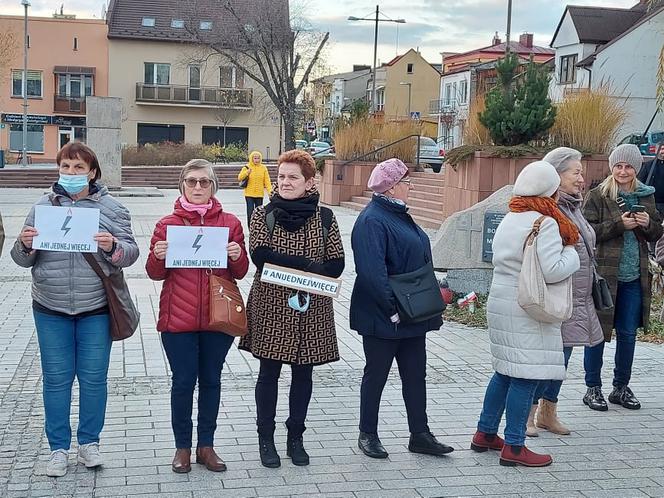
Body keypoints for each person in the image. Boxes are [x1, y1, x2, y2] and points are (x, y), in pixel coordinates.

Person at [10, 142, 139, 477]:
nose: (70, 173)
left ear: (92, 172)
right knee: (56, 380)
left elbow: (130, 253)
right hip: (50, 307)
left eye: (78, 168)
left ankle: (89, 443)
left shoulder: (112, 209)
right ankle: (58, 449)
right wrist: (24, 244)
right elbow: (20, 259)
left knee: (94, 380)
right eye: (65, 167)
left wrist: (113, 247)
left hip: (94, 307)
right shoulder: (43, 206)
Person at [239, 149, 345, 468]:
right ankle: (265, 438)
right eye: (282, 176)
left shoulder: (325, 217)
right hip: (271, 305)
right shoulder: (264, 214)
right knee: (268, 372)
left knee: (303, 374)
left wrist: (300, 268)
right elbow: (260, 255)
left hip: (311, 306)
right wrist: (309, 265)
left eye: (293, 177)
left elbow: (337, 263)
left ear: (309, 181)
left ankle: (295, 437)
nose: (285, 182)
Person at [471, 161, 580, 467]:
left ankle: (486, 432)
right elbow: (553, 269)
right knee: (525, 376)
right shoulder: (544, 222)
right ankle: (515, 446)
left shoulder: (511, 216)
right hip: (528, 306)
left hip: (503, 301)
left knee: (504, 371)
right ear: (550, 190)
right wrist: (572, 253)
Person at [146, 159, 249, 474]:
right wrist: (157, 255)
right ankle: (183, 448)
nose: (198, 187)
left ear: (213, 186)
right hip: (178, 320)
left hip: (218, 320)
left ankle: (206, 446)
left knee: (211, 381)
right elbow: (154, 273)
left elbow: (241, 272)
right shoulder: (167, 224)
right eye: (192, 181)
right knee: (183, 383)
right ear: (182, 185)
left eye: (204, 182)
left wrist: (238, 255)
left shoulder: (230, 223)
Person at [350, 158, 454, 460]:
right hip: (384, 315)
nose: (411, 186)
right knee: (377, 375)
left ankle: (419, 434)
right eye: (407, 182)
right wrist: (393, 309)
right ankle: (367, 433)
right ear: (392, 187)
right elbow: (372, 272)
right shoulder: (373, 219)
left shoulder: (396, 213)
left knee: (414, 375)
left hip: (410, 313)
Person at [525, 148, 604, 437]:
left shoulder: (573, 206)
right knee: (548, 358)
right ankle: (528, 414)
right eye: (576, 172)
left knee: (563, 357)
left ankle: (548, 412)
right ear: (556, 175)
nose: (582, 178)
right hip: (558, 294)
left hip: (578, 295)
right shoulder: (550, 209)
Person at [582, 144, 663, 411]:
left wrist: (646, 224)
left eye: (628, 166)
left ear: (636, 168)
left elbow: (655, 233)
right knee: (598, 334)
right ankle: (593, 388)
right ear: (611, 167)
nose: (623, 171)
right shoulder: (598, 194)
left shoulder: (646, 195)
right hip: (605, 276)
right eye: (618, 166)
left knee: (628, 334)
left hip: (634, 276)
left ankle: (621, 387)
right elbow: (587, 232)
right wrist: (620, 225)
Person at [238, 150, 272, 223]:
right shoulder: (247, 167)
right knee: (250, 213)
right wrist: (247, 172)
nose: (257, 160)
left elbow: (267, 181)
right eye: (255, 158)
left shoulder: (263, 168)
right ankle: (250, 229)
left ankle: (257, 228)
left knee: (259, 213)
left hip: (259, 194)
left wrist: (270, 192)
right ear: (251, 158)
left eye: (258, 158)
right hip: (249, 194)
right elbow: (240, 178)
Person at [636, 142, 664, 214]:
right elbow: (639, 182)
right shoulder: (648, 165)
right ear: (655, 150)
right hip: (652, 203)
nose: (662, 151)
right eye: (660, 149)